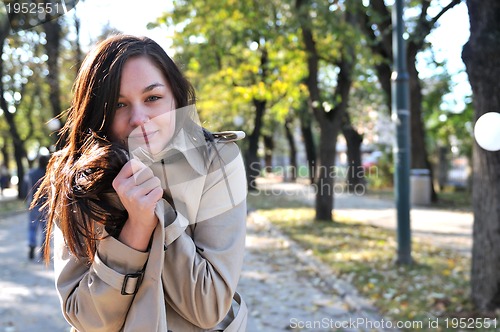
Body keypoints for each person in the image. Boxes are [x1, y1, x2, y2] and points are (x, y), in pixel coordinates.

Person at [34, 35, 248, 331]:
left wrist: (157, 215)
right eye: (119, 104)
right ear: (98, 113)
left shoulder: (217, 162)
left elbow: (208, 306)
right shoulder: (76, 178)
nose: (139, 118)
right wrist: (135, 230)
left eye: (153, 98)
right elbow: (87, 319)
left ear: (175, 97)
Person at [26, 154, 50, 260]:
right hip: (46, 205)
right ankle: (43, 251)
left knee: (32, 228)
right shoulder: (49, 174)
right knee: (45, 230)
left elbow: (26, 188)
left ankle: (32, 244)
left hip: (34, 204)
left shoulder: (31, 173)